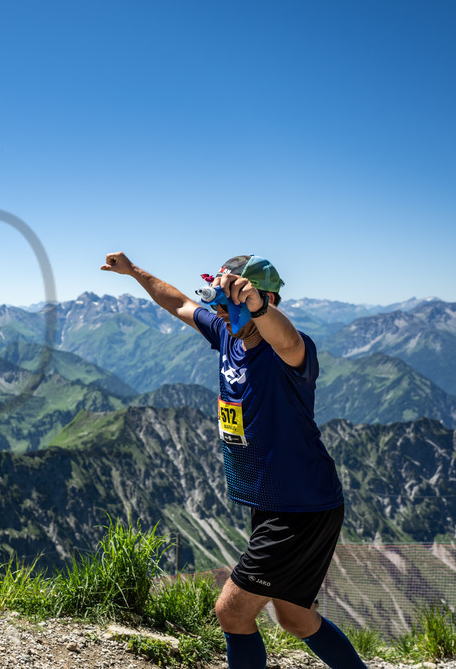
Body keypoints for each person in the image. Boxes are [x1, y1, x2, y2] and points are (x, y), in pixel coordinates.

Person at [101, 252, 365, 669]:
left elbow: (288, 340)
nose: (219, 311)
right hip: (282, 502)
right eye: (219, 303)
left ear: (265, 301)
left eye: (229, 303)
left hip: (300, 507)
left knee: (231, 611)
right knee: (296, 619)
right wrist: (134, 272)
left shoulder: (290, 353)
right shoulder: (226, 332)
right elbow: (178, 303)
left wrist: (259, 308)